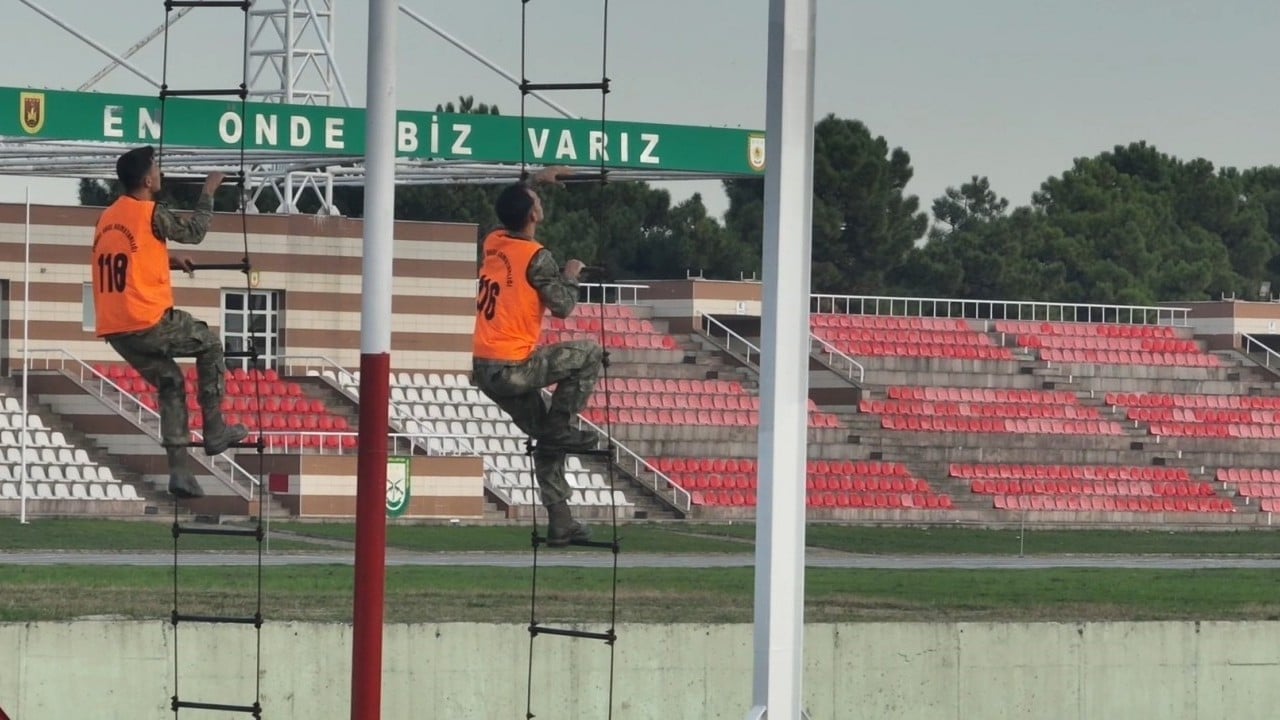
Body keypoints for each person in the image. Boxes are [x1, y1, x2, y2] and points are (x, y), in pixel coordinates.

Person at [91, 145, 248, 499]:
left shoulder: (108, 217)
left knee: (171, 383)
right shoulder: (150, 212)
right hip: (146, 318)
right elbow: (194, 232)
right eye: (157, 168)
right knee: (208, 342)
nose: (160, 172)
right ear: (147, 180)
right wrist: (209, 191)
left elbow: (129, 257)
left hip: (117, 329)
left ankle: (179, 472)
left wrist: (165, 258)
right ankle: (215, 429)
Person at [471, 168, 604, 547]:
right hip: (514, 366)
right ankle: (562, 429)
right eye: (538, 202)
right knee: (590, 352)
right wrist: (571, 274)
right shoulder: (536, 256)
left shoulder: (493, 242)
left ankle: (561, 522)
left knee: (547, 439)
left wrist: (532, 182)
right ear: (532, 215)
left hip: (485, 368)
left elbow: (505, 209)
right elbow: (563, 307)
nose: (541, 205)